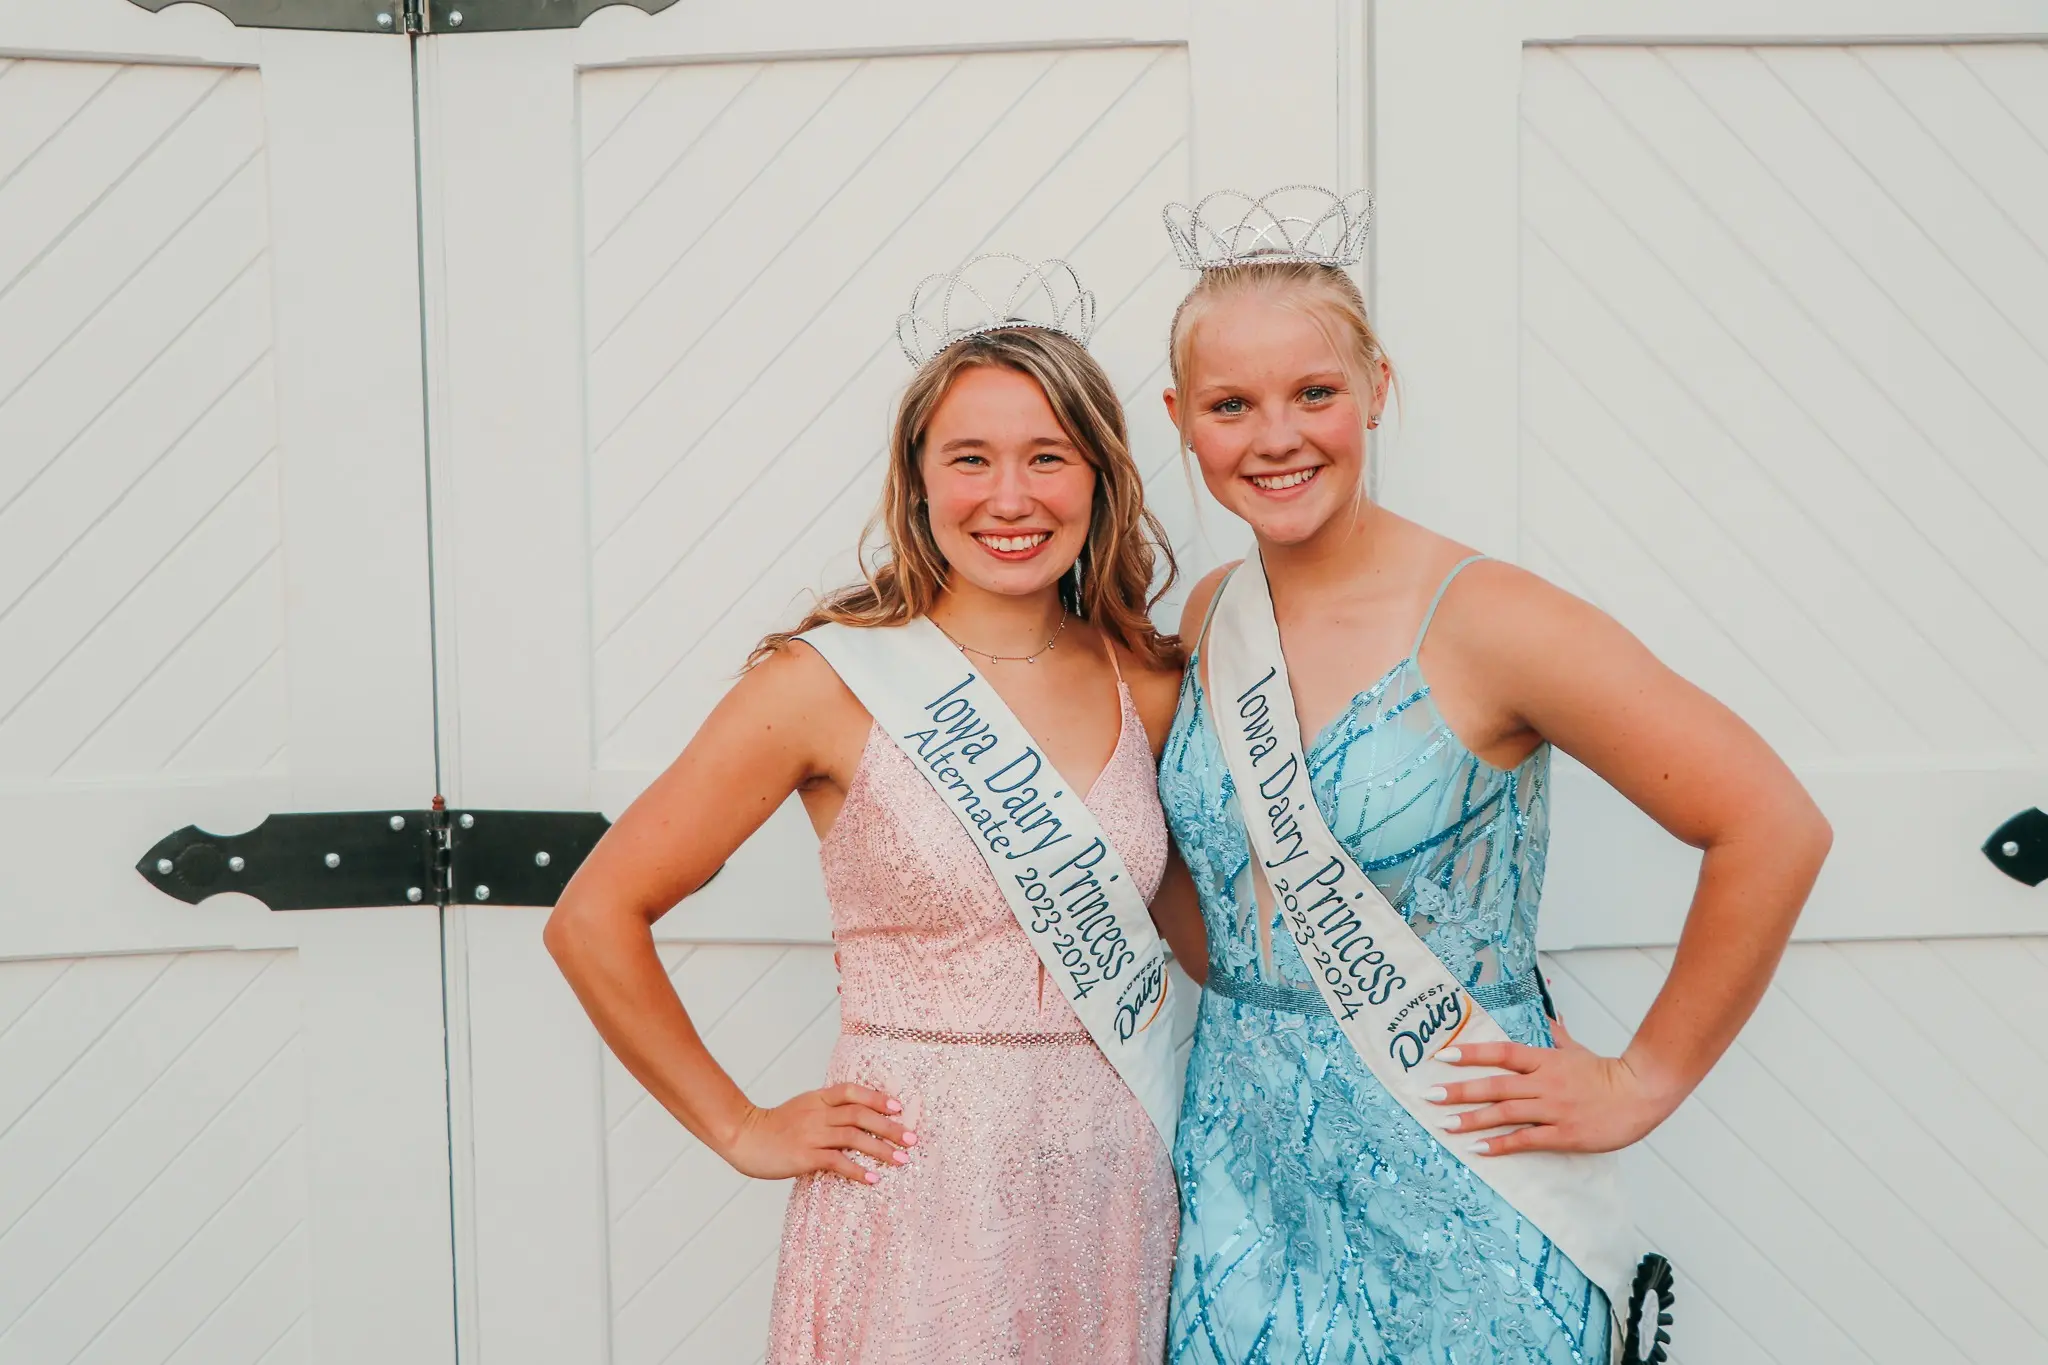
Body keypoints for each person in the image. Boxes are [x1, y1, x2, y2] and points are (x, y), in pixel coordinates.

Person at [1153, 189, 1831, 1363]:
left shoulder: (1493, 619)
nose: (1275, 436)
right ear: (1182, 421)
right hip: (1241, 1170)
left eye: (1314, 392)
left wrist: (1641, 1078)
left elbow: (1770, 823)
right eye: (1231, 404)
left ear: (1376, 387)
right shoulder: (1212, 613)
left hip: (1457, 1157)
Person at [544, 255, 1204, 1363]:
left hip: (1110, 1186)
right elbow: (591, 916)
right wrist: (740, 1126)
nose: (1010, 497)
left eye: (1048, 456)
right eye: (970, 459)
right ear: (917, 480)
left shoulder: (1146, 686)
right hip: (912, 1201)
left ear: (1098, 478)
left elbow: (1211, 938)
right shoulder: (823, 684)